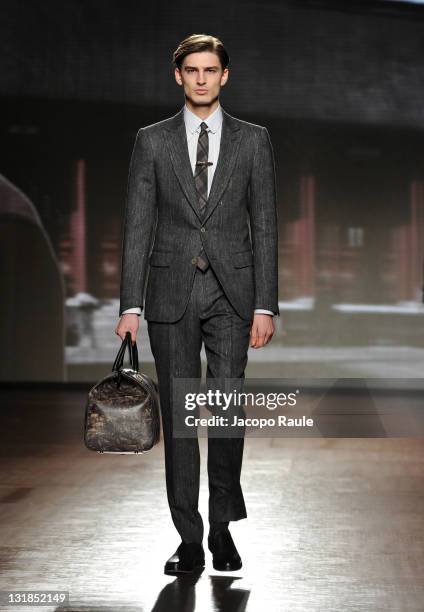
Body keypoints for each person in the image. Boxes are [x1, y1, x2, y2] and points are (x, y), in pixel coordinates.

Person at [115, 33, 279, 575]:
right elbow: (139, 225)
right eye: (192, 70)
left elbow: (265, 227)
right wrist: (129, 305)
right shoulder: (152, 140)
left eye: (211, 69)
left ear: (225, 75)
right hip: (169, 292)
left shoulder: (253, 141)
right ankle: (189, 538)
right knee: (182, 420)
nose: (202, 78)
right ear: (178, 76)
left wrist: (266, 304)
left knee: (228, 412)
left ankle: (223, 528)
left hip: (234, 295)